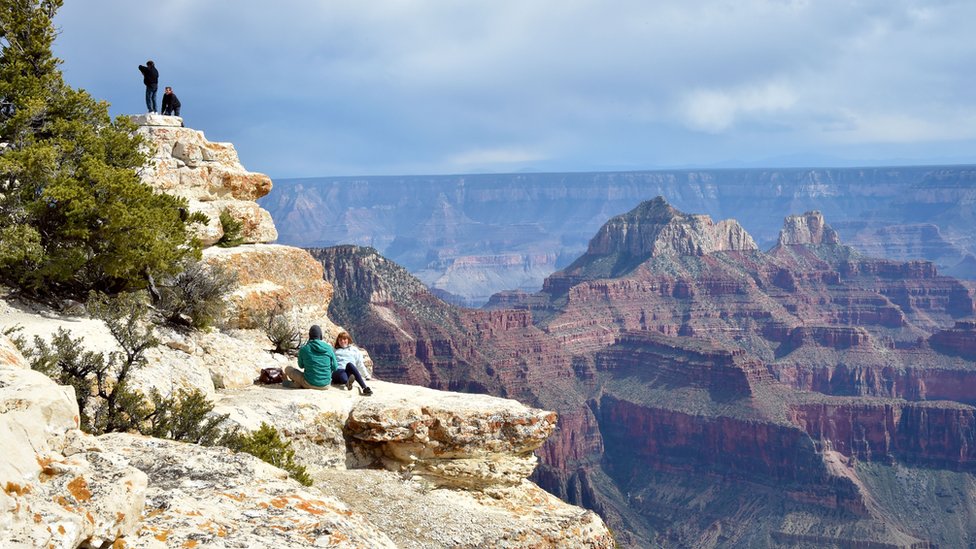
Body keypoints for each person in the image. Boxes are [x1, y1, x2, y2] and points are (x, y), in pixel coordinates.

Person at [285, 325, 336, 390]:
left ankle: (296, 384)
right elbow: (335, 367)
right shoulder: (329, 348)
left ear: (310, 335)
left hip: (309, 383)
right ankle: (299, 384)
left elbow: (301, 366)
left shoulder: (304, 349)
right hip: (326, 385)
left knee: (288, 368)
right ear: (320, 335)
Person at [334, 331, 373, 395]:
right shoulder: (334, 350)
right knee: (342, 374)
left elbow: (359, 364)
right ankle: (347, 382)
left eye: (344, 339)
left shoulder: (354, 350)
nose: (342, 341)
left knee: (350, 365)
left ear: (348, 340)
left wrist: (366, 375)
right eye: (340, 340)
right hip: (337, 371)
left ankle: (364, 388)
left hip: (348, 371)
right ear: (338, 341)